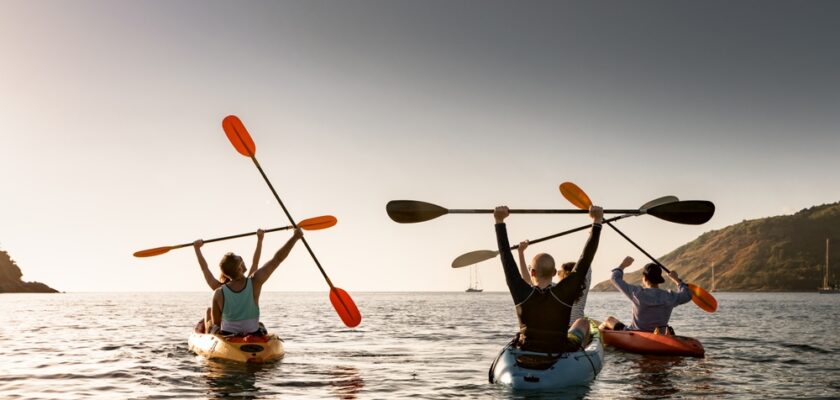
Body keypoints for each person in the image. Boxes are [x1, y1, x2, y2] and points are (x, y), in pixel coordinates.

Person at [495, 204, 603, 353]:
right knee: (583, 323)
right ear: (554, 273)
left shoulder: (521, 293)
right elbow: (586, 258)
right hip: (559, 349)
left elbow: (506, 256)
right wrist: (597, 220)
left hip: (527, 348)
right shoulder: (564, 292)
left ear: (532, 273)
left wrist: (499, 220)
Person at [198, 228, 303, 335]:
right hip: (252, 332)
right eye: (239, 258)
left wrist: (197, 249)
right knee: (260, 325)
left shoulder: (218, 292)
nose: (241, 258)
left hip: (227, 335)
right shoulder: (255, 282)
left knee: (211, 322)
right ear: (239, 268)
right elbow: (277, 259)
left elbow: (216, 323)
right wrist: (295, 238)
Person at [599, 257, 692, 334]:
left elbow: (615, 278)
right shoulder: (670, 296)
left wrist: (623, 265)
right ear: (659, 279)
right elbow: (687, 295)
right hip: (659, 334)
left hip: (635, 334)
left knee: (609, 320)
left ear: (644, 277)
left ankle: (596, 338)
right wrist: (677, 280)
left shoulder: (637, 293)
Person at [518, 241, 592, 323]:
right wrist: (592, 233)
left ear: (564, 275)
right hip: (576, 330)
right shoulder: (582, 290)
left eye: (560, 272)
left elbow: (528, 280)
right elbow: (586, 261)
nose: (558, 273)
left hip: (561, 330)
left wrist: (521, 252)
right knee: (584, 323)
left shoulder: (554, 290)